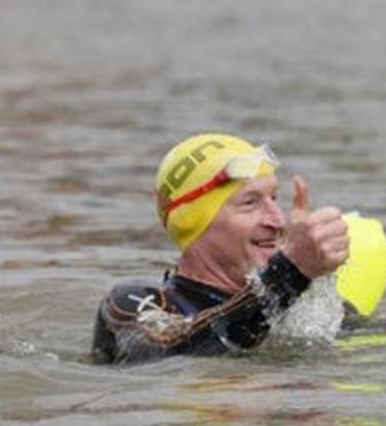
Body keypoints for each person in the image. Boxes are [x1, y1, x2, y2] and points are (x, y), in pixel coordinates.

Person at [91, 133, 350, 364]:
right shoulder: (134, 303)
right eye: (250, 203)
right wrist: (292, 270)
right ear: (192, 221)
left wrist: (311, 277)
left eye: (274, 198)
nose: (278, 220)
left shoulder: (297, 305)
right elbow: (169, 355)